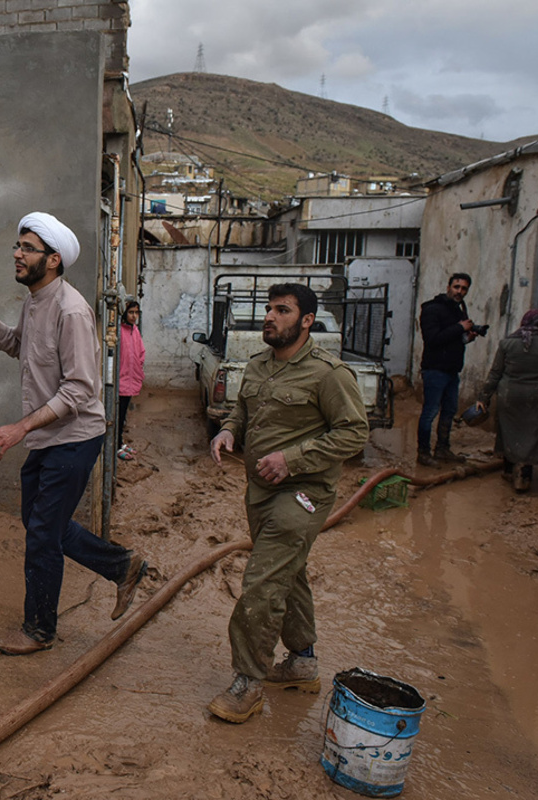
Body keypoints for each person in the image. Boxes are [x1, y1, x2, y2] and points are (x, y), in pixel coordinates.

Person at [0, 211, 149, 656]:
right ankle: (122, 566)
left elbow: (80, 390)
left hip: (75, 438)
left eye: (27, 248)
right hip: (49, 439)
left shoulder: (71, 310)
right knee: (40, 524)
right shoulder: (34, 303)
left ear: (52, 260)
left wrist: (20, 427)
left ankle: (39, 629)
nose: (17, 253)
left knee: (42, 534)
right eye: (18, 245)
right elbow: (18, 346)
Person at [207, 283, 369, 723]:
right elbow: (242, 409)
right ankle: (302, 662)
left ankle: (247, 683)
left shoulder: (328, 374)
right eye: (269, 309)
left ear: (306, 322)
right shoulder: (259, 365)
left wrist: (293, 458)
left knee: (261, 581)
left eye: (282, 310)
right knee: (288, 571)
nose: (270, 317)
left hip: (304, 494)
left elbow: (354, 433)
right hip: (259, 491)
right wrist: (228, 430)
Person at [476, 309, 538, 492]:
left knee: (510, 431)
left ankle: (509, 471)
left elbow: (495, 373)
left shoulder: (507, 344)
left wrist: (483, 398)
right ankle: (525, 475)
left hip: (510, 394)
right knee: (534, 433)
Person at [416, 272, 479, 466]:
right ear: (448, 287)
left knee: (449, 410)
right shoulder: (432, 309)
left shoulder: (458, 311)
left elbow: (450, 340)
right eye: (457, 287)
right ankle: (423, 453)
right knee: (430, 411)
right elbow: (433, 339)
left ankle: (443, 448)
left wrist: (466, 338)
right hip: (435, 370)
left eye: (464, 288)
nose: (460, 291)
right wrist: (459, 328)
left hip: (452, 370)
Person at [116, 300, 145, 461]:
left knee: (123, 414)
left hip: (131, 380)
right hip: (121, 381)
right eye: (131, 312)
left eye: (136, 313)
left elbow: (141, 352)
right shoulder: (120, 331)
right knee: (118, 416)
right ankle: (117, 446)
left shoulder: (135, 330)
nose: (134, 316)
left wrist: (139, 370)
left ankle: (120, 442)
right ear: (124, 313)